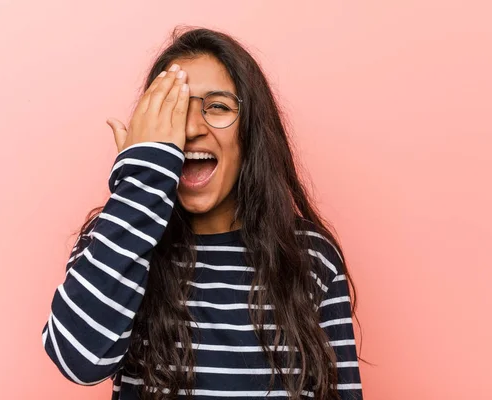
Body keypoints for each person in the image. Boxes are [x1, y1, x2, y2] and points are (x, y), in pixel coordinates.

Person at [41, 27, 363, 399]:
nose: (191, 128)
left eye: (218, 106)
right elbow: (77, 360)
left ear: (251, 133)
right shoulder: (115, 238)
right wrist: (139, 183)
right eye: (174, 111)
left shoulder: (310, 255)